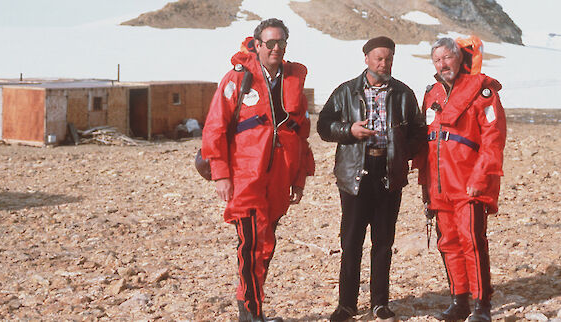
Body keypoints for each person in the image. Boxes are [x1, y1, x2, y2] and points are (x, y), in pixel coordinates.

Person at [202, 18, 315, 322]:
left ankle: (253, 311)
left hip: (279, 179)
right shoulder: (237, 80)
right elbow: (215, 127)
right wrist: (221, 174)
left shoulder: (292, 83)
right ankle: (251, 314)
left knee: (266, 245)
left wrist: (299, 178)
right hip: (245, 177)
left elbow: (301, 135)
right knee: (251, 245)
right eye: (270, 43)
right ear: (258, 45)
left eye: (281, 43)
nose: (276, 48)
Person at [317, 36, 426, 322]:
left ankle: (380, 304)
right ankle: (347, 305)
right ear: (366, 58)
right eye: (379, 57)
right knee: (351, 242)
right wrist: (349, 131)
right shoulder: (345, 91)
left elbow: (418, 131)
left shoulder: (403, 93)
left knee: (383, 243)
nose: (384, 63)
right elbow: (323, 126)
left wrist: (403, 152)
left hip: (389, 174)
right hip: (355, 174)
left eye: (389, 58)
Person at [415, 37, 507, 322]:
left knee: (472, 241)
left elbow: (494, 139)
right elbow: (424, 141)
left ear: (459, 58)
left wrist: (480, 177)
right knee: (449, 242)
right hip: (439, 183)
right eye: (437, 60)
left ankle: (482, 304)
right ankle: (459, 300)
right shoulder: (432, 94)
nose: (443, 64)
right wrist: (425, 185)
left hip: (468, 182)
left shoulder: (483, 91)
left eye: (447, 58)